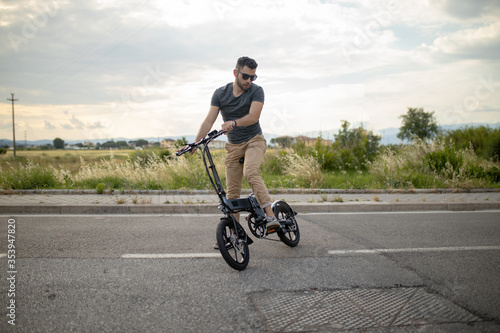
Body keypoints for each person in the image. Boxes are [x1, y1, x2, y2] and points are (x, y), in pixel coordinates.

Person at [193, 56, 280, 231]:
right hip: (233, 146)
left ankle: (271, 217)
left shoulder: (257, 91)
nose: (249, 81)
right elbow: (209, 121)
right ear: (235, 73)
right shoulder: (220, 93)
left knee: (250, 172)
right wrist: (196, 144)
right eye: (245, 76)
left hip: (254, 140)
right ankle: (235, 235)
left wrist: (234, 123)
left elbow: (253, 117)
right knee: (232, 193)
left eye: (252, 77)